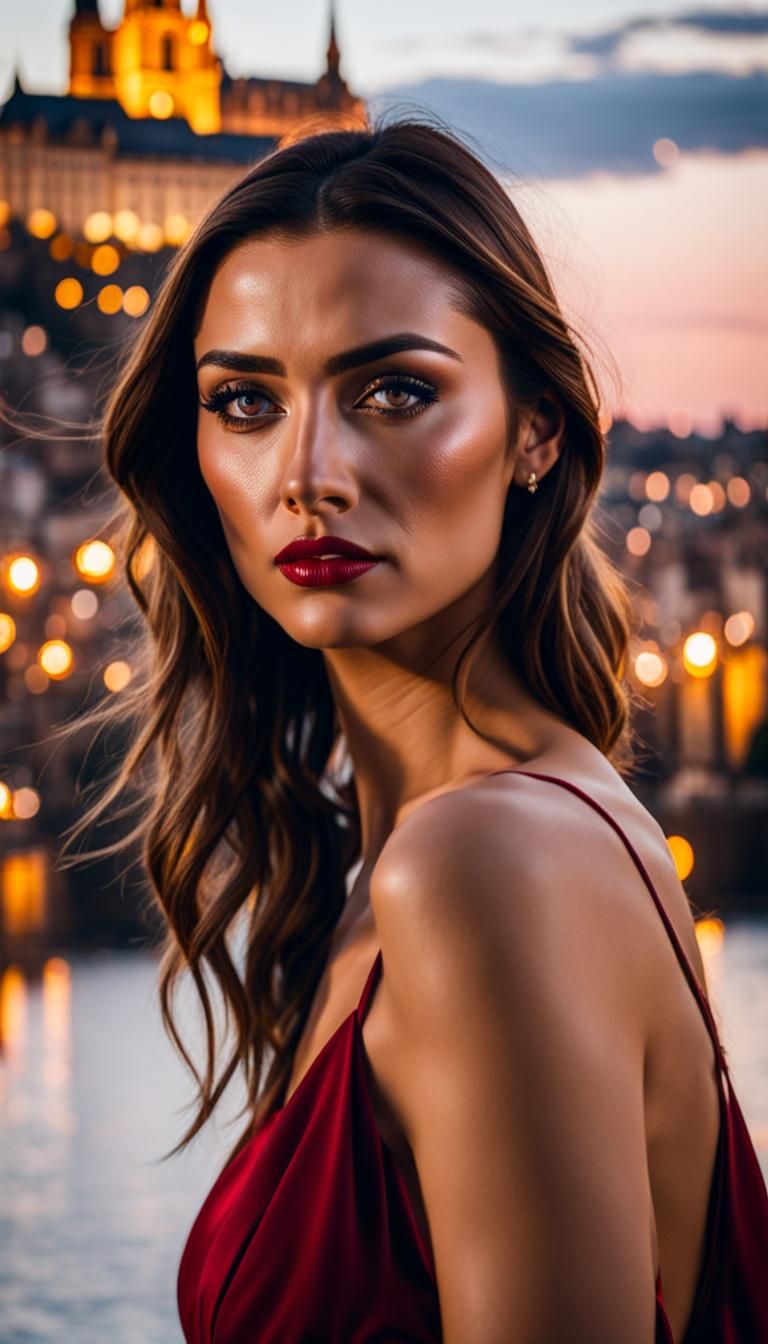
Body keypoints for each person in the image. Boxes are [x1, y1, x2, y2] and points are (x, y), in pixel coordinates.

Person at [75, 115, 768, 1342]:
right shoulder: (497, 836)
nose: (309, 474)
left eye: (394, 390)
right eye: (244, 401)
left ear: (539, 429)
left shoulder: (481, 867)